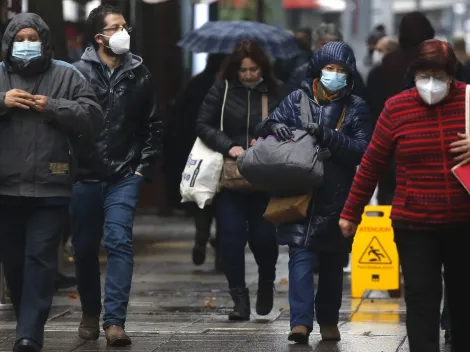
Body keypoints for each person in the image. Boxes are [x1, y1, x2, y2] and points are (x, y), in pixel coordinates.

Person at [340, 39, 470, 352]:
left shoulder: (468, 102)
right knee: (421, 296)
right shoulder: (397, 108)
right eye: (424, 74)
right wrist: (350, 213)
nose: (431, 82)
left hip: (464, 221)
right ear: (413, 74)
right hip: (414, 224)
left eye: (439, 75)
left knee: (464, 299)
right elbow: (372, 163)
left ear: (452, 74)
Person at [0, 12, 102, 352]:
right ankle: (25, 315)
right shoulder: (0, 76)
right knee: (14, 262)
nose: (27, 45)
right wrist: (2, 102)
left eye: (33, 39)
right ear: (9, 42)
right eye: (20, 38)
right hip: (5, 186)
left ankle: (29, 333)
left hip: (51, 185)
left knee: (41, 258)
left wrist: (53, 107)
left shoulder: (67, 74)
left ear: (44, 42)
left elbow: (91, 117)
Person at [264, 41, 372, 344]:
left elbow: (362, 150)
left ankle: (327, 320)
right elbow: (265, 125)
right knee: (299, 255)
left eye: (340, 70)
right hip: (298, 193)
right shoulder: (297, 98)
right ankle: (300, 323)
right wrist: (275, 127)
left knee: (332, 262)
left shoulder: (357, 107)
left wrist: (330, 137)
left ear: (349, 76)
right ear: (318, 69)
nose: (334, 75)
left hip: (337, 197)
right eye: (329, 68)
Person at [71, 4, 162, 347]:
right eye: (115, 27)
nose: (124, 32)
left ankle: (114, 322)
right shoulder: (76, 73)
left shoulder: (139, 72)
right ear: (99, 37)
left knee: (119, 241)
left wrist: (141, 169)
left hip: (125, 173)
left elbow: (153, 126)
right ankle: (90, 312)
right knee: (83, 249)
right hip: (85, 175)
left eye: (125, 26)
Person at [196, 40, 283, 321]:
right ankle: (239, 300)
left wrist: (268, 138)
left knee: (264, 238)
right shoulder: (221, 89)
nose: (248, 75)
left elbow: (290, 125)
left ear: (263, 68)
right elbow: (202, 124)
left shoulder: (276, 91)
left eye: (254, 69)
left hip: (265, 177)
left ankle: (266, 281)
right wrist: (228, 144)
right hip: (231, 176)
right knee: (230, 239)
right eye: (244, 70)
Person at [163, 54, 227, 270]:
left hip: (199, 152)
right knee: (224, 203)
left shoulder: (196, 84)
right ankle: (220, 249)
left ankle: (201, 238)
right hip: (226, 151)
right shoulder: (230, 88)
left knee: (203, 201)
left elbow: (181, 119)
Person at [286, 23, 366, 98]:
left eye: (334, 44)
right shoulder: (300, 75)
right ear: (315, 45)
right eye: (324, 44)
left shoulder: (352, 75)